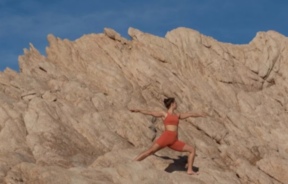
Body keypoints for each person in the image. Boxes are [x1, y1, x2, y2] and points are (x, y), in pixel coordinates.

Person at [130, 97, 207, 175]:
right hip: (166, 137)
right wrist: (138, 110)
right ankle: (132, 163)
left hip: (174, 141)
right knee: (150, 151)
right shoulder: (164, 114)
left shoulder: (177, 115)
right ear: (172, 104)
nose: (176, 104)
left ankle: (189, 170)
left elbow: (190, 114)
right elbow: (150, 112)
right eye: (175, 103)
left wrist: (200, 114)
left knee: (192, 149)